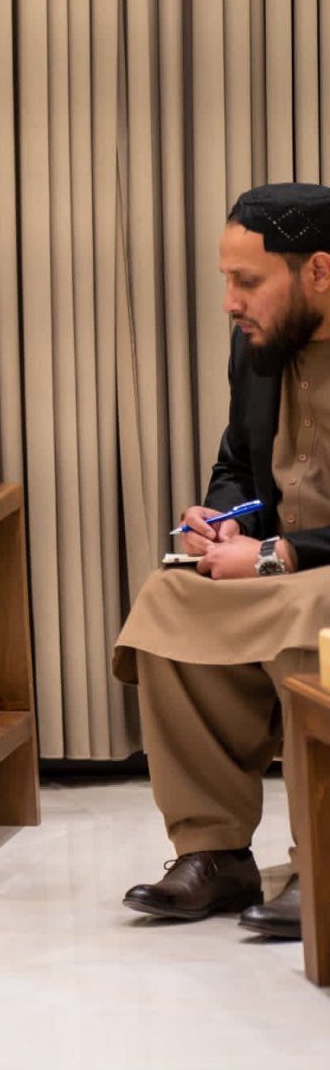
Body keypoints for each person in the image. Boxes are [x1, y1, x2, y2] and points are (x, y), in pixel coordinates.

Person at [115, 181, 330, 943]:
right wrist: (222, 518)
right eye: (226, 280)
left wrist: (280, 553)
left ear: (319, 272)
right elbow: (239, 461)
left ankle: (323, 864)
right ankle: (214, 850)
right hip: (280, 564)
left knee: (312, 609)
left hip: (311, 574)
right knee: (170, 595)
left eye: (248, 281)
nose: (231, 302)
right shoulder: (258, 342)